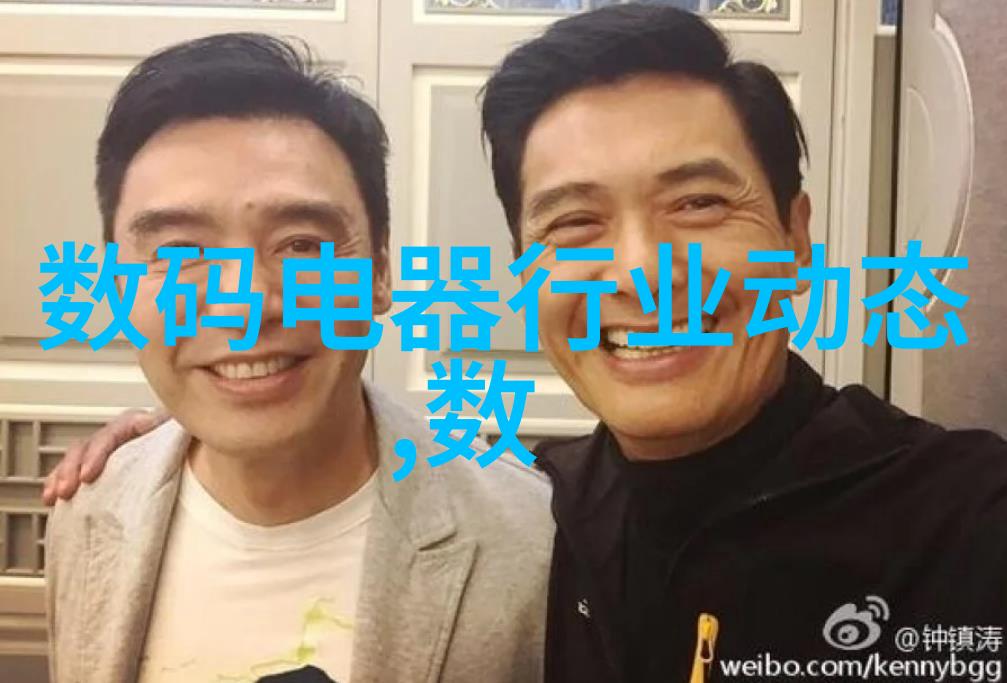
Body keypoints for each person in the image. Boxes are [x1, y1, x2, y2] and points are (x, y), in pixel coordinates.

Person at [48, 6, 1007, 683]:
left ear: (795, 239)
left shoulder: (964, 523)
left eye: (697, 203)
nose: (640, 271)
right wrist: (183, 422)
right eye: (575, 223)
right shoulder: (554, 503)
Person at [43, 33, 552, 683]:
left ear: (380, 271)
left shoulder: (529, 544)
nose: (247, 302)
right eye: (179, 253)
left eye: (303, 245)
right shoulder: (86, 510)